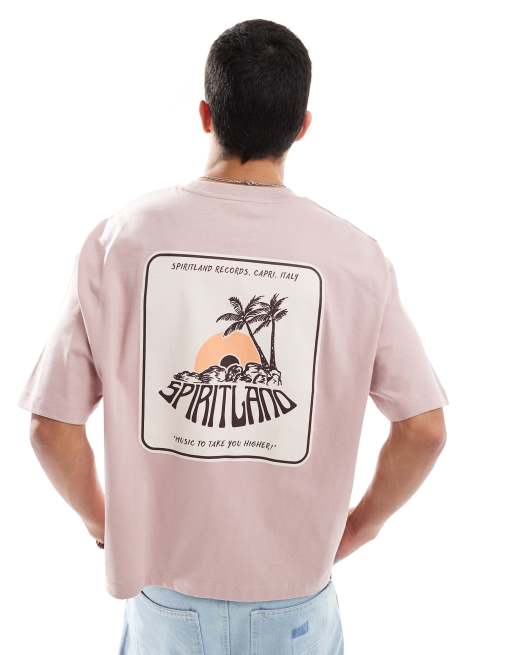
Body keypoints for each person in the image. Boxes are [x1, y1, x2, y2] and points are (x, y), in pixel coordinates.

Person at [18, 18, 448, 655]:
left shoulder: (122, 241)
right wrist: (361, 527)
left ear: (205, 114)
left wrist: (105, 523)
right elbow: (425, 429)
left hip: (166, 597)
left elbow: (50, 426)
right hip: (297, 598)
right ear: (302, 127)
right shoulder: (355, 259)